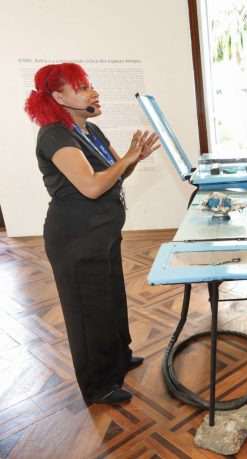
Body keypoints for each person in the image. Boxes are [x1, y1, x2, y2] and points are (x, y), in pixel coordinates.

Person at [24, 63, 160, 405]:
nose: (93, 91)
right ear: (58, 97)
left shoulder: (91, 131)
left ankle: (118, 359)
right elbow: (90, 186)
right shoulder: (55, 134)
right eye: (83, 87)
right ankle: (99, 385)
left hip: (102, 234)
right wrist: (127, 157)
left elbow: (116, 175)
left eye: (89, 85)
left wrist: (134, 159)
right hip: (76, 238)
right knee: (89, 311)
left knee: (111, 299)